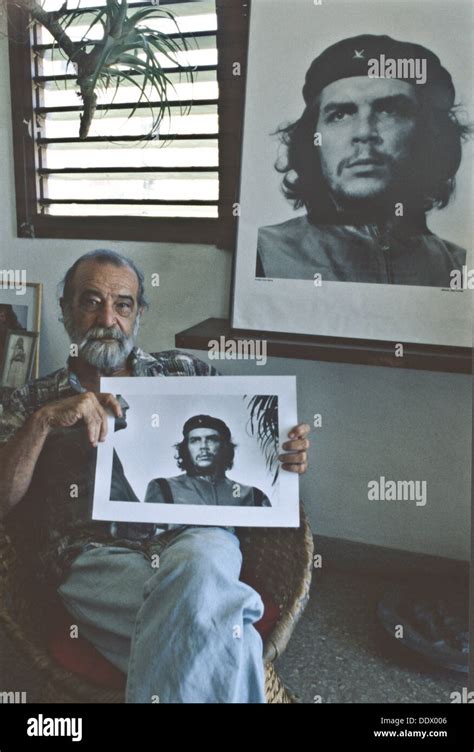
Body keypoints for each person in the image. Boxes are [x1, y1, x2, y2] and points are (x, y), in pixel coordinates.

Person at [0, 249, 310, 704]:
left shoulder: (185, 373)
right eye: (91, 302)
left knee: (201, 570)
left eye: (122, 304)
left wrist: (288, 454)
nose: (108, 318)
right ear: (66, 311)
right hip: (96, 559)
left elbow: (252, 455)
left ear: (139, 313)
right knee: (221, 625)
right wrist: (44, 423)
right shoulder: (32, 400)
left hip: (197, 542)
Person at [256, 34, 469, 286]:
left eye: (389, 111)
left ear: (428, 135)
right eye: (340, 114)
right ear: (312, 140)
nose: (364, 132)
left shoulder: (457, 266)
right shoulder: (263, 255)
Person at [144, 414, 272, 507]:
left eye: (211, 439)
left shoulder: (253, 496)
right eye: (195, 440)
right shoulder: (163, 488)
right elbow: (152, 538)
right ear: (186, 448)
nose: (203, 447)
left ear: (224, 447)